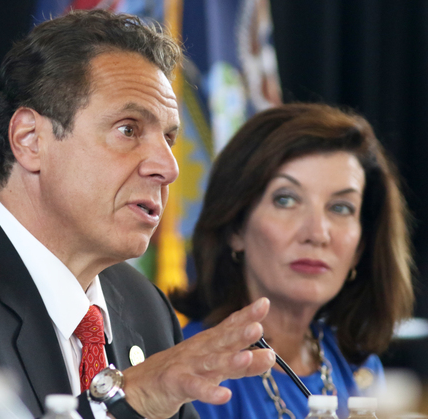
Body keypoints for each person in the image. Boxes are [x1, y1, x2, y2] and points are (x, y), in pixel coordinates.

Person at [0, 9, 277, 419]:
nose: (169, 167)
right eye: (128, 129)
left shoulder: (145, 306)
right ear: (30, 140)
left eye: (169, 138)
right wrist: (127, 400)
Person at [171, 103, 414, 419]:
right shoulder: (191, 369)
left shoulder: (361, 368)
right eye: (286, 200)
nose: (317, 233)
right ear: (235, 227)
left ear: (361, 246)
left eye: (341, 207)